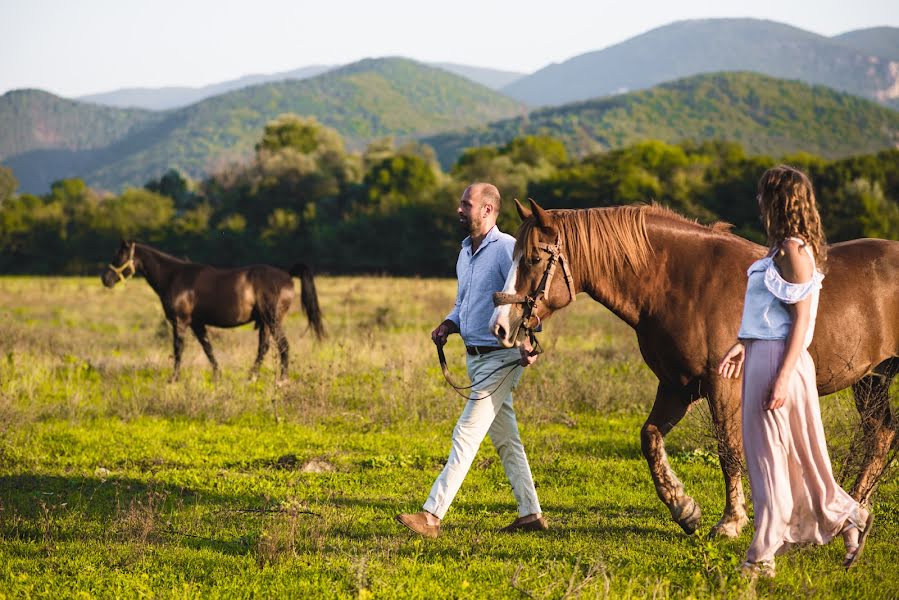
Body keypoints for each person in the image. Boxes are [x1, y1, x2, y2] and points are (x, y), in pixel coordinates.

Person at [718, 165, 874, 577]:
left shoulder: (792, 250)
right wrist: (743, 343)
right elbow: (773, 314)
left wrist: (783, 376)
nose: (758, 202)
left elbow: (803, 321)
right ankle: (845, 514)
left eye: (763, 195)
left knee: (769, 457)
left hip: (778, 363)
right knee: (781, 456)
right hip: (763, 354)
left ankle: (761, 556)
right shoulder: (781, 250)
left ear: (777, 201)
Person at [396, 182, 545, 538]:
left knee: (466, 432)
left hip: (502, 358)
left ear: (488, 210)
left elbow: (530, 297)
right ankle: (531, 515)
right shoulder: (465, 252)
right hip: (474, 357)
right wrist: (449, 324)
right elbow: (464, 303)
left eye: (467, 204)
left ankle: (432, 515)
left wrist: (528, 340)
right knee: (507, 441)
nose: (460, 210)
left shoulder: (509, 248)